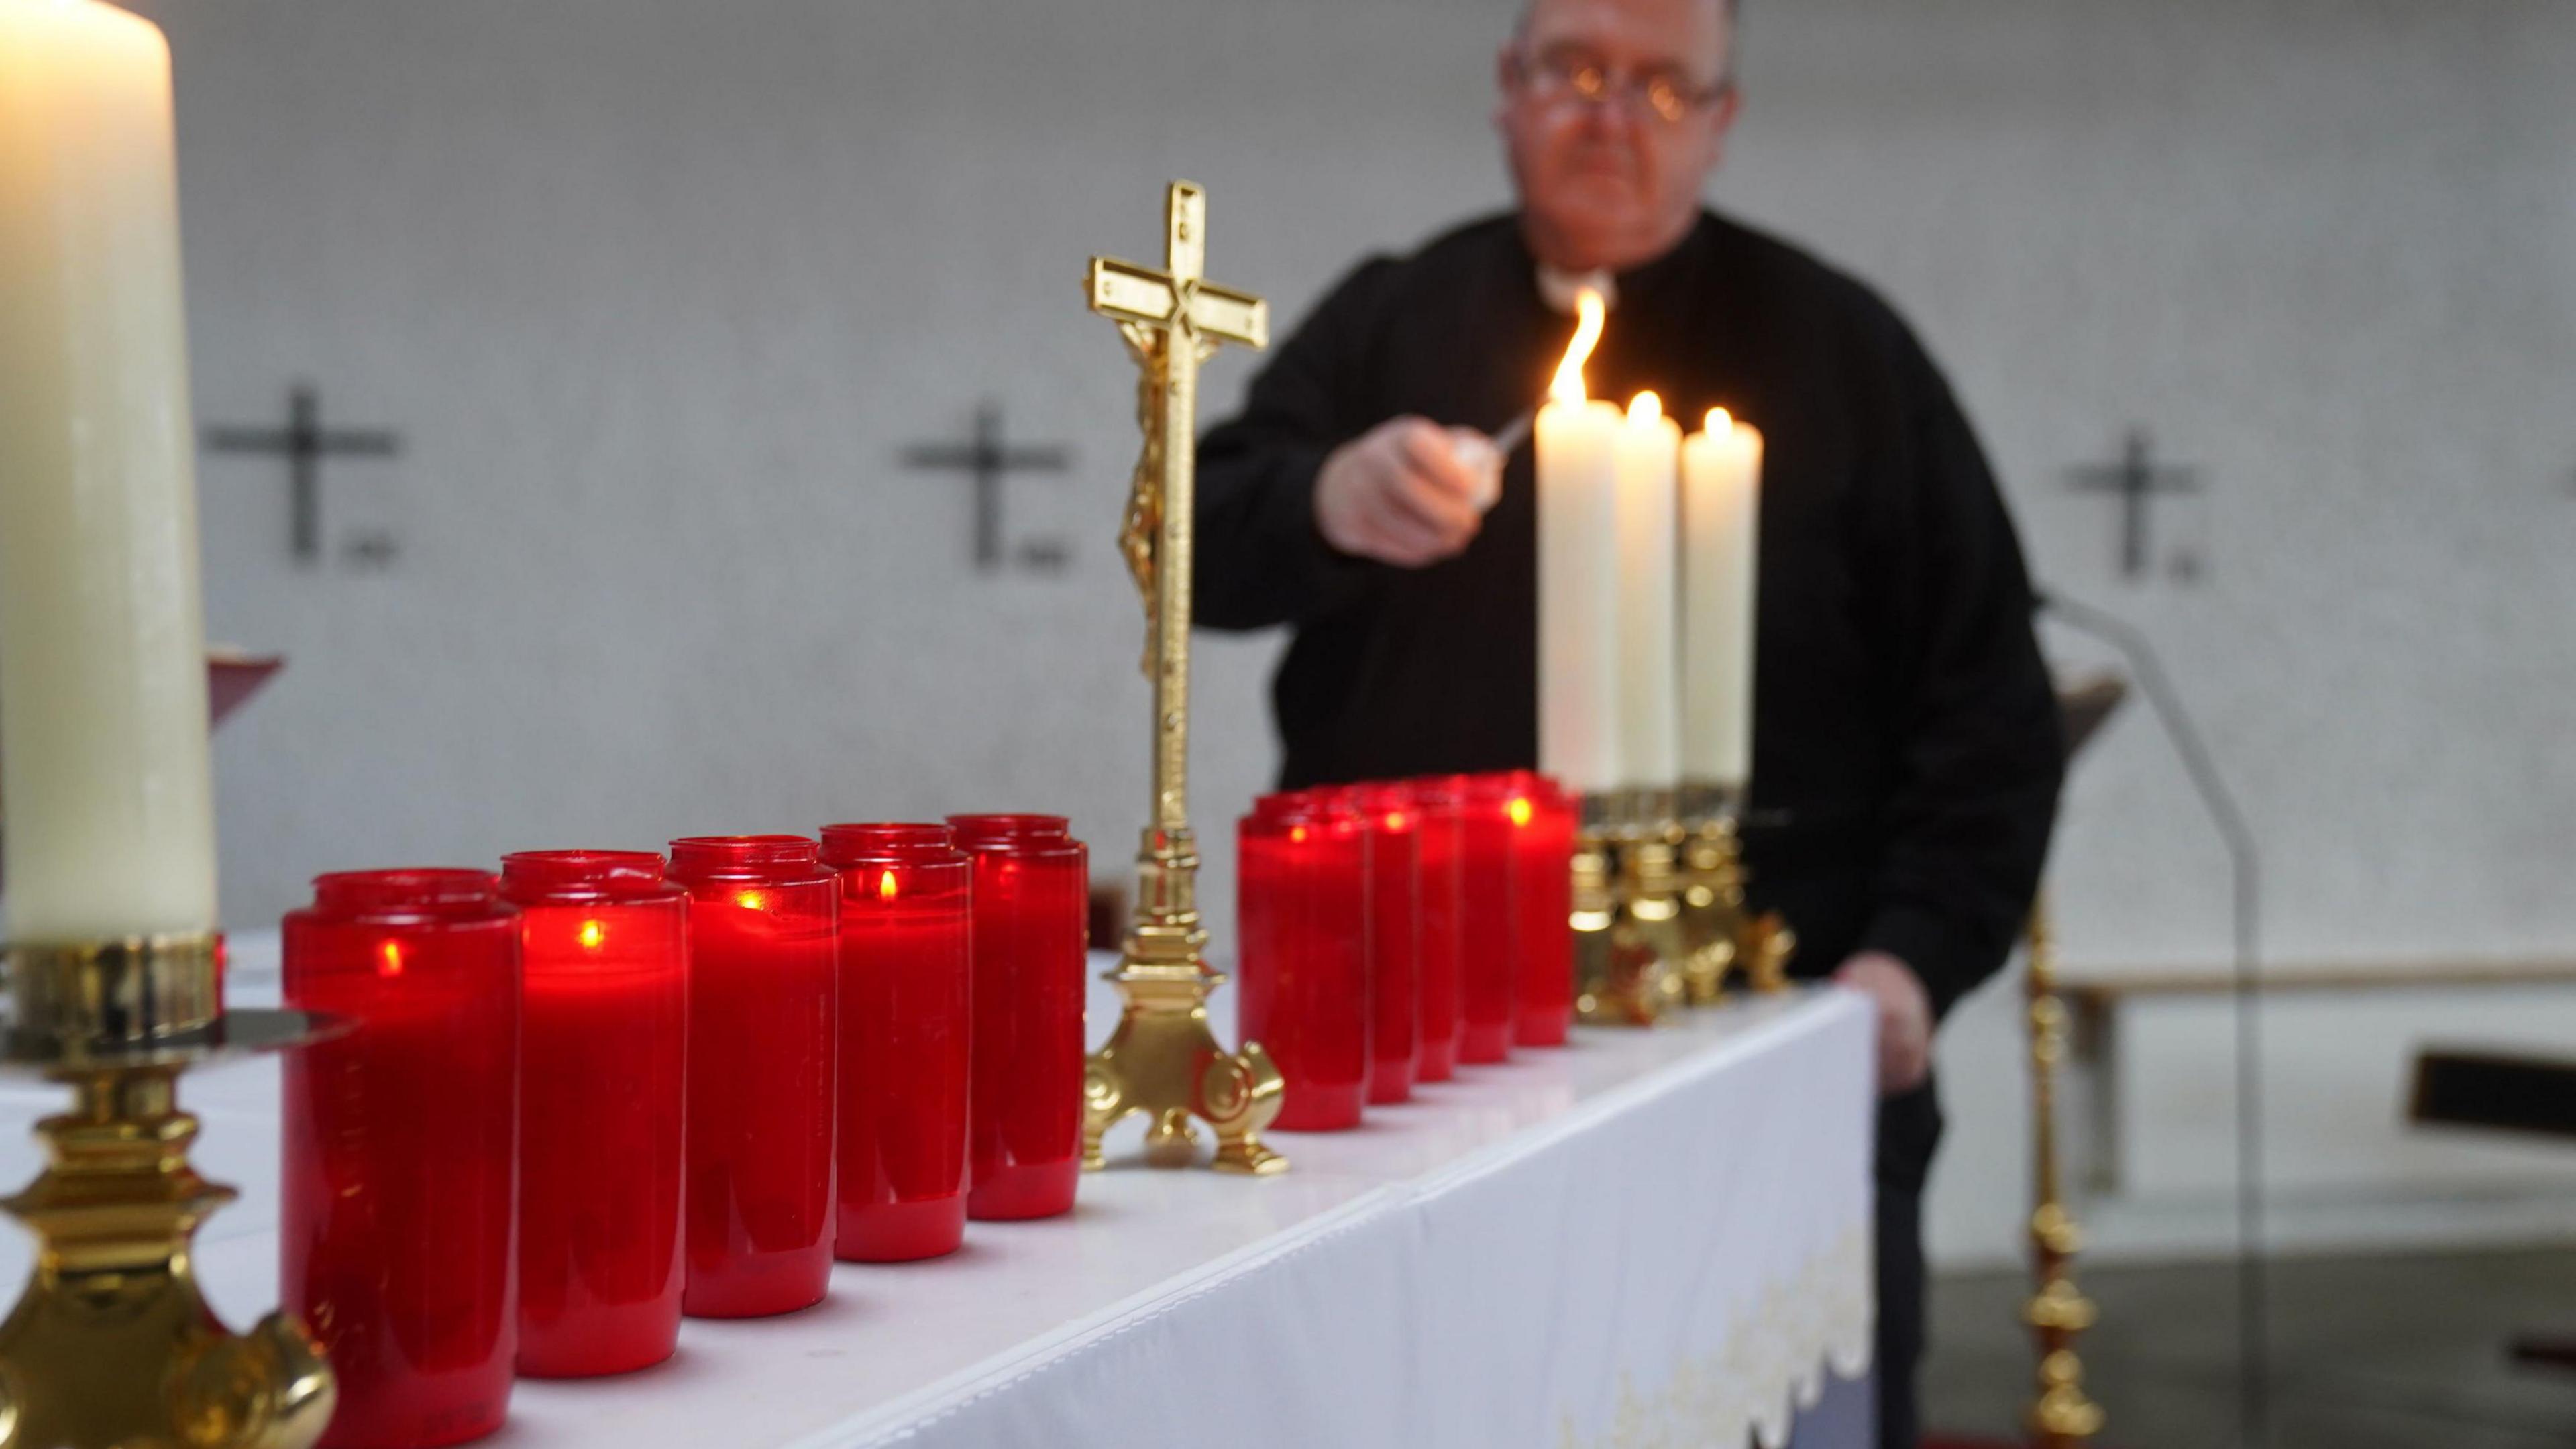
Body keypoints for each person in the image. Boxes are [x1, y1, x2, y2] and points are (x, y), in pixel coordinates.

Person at [1191, 0, 2065, 1442]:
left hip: (1767, 1026)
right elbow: (1200, 550)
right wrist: (1322, 500)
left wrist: (1913, 963)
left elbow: (1989, 711)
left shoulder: (1842, 352)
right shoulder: (1394, 320)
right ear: (1506, 91)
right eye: (1577, 73)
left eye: (1664, 87)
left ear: (1723, 120)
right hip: (1405, 1051)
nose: (1613, 116)